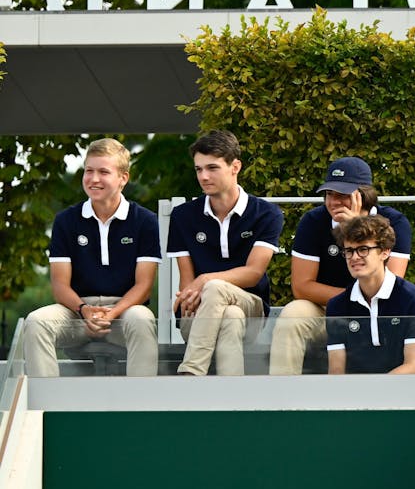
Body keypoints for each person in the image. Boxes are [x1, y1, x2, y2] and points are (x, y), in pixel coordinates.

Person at [23, 138, 161, 377]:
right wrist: (84, 309)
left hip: (124, 312)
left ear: (123, 178)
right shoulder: (66, 220)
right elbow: (59, 284)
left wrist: (113, 312)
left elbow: (144, 286)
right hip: (77, 312)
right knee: (36, 322)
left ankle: (141, 405)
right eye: (89, 171)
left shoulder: (145, 220)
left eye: (103, 172)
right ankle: (45, 408)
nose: (93, 179)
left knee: (142, 319)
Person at [268, 156, 412, 374]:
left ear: (364, 195)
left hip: (379, 310)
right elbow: (301, 286)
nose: (334, 201)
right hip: (327, 308)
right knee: (292, 315)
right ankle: (282, 400)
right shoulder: (313, 221)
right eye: (329, 194)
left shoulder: (395, 222)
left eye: (343, 195)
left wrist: (357, 228)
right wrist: (347, 301)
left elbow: (389, 287)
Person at [168, 130, 284, 376]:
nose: (204, 176)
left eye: (212, 168)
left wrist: (207, 279)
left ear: (235, 167)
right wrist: (198, 290)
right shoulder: (182, 216)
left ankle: (190, 372)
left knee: (214, 287)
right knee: (230, 316)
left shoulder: (266, 214)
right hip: (198, 312)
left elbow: (253, 274)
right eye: (199, 169)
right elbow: (187, 284)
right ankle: (233, 398)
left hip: (251, 309)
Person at [325, 215, 415, 374]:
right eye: (349, 251)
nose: (354, 257)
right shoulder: (336, 306)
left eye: (363, 249)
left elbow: (413, 366)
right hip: (360, 395)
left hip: (414, 393)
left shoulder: (413, 298)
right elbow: (336, 371)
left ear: (385, 252)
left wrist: (373, 393)